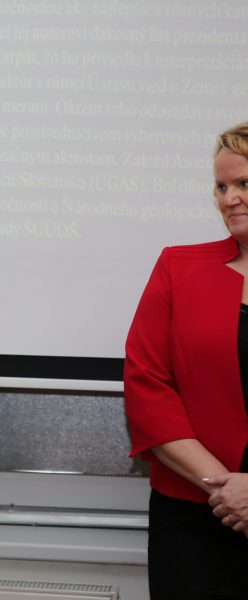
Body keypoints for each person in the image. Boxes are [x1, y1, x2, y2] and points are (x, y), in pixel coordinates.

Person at [124, 122, 248, 599]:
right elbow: (147, 387)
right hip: (193, 520)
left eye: (243, 183)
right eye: (221, 186)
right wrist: (226, 490)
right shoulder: (179, 268)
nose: (229, 199)